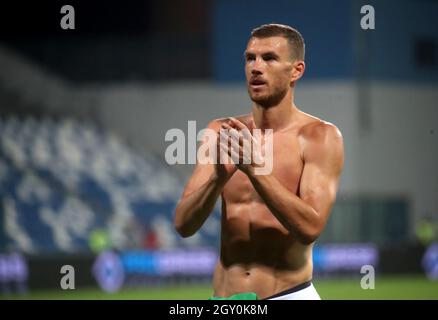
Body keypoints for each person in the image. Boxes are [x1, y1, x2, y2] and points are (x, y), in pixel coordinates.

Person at [174, 23, 344, 300]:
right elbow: (183, 225)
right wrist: (217, 180)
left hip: (288, 294)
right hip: (225, 300)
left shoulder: (320, 136)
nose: (256, 66)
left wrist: (255, 170)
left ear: (296, 71)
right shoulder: (220, 131)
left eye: (269, 58)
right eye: (250, 58)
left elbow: (310, 228)